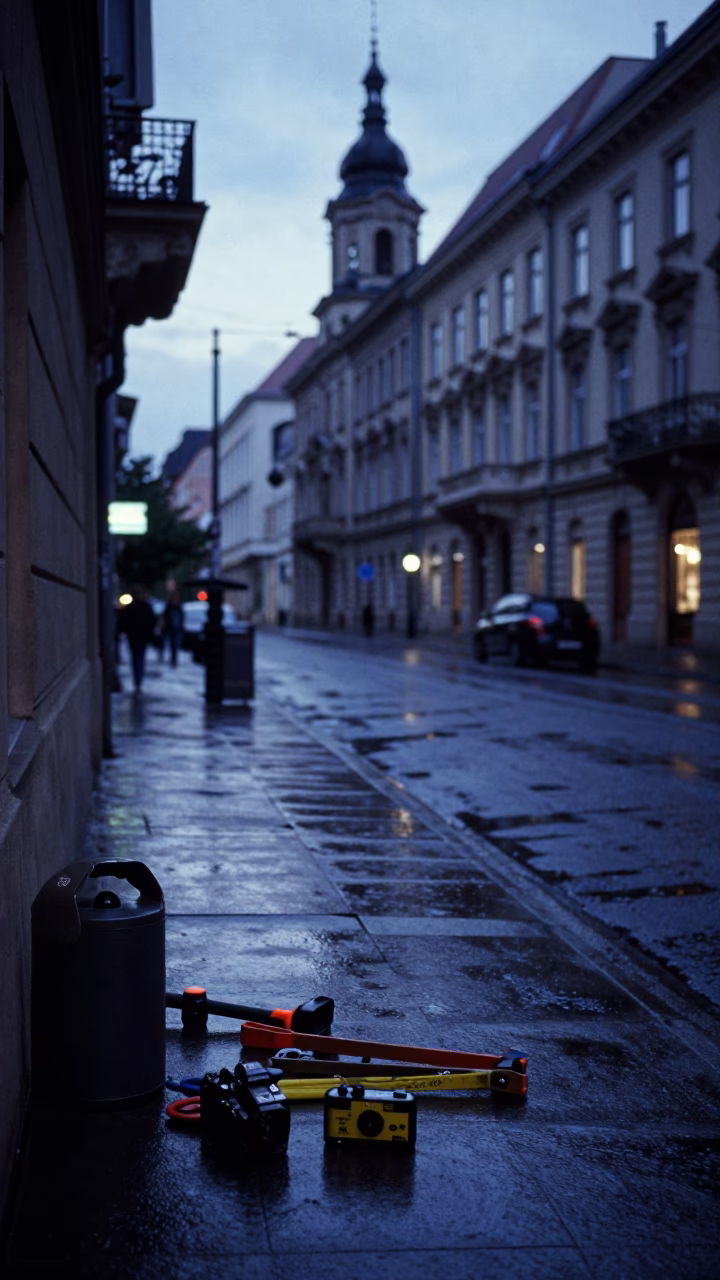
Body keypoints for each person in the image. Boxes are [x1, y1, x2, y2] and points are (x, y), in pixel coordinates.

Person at [118, 587, 157, 692]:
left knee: (135, 657)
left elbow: (123, 621)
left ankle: (137, 679)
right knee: (140, 657)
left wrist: (121, 631)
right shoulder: (146, 606)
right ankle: (138, 679)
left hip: (133, 636)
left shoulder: (130, 607)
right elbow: (152, 621)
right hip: (141, 636)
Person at [162, 591, 184, 667]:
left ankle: (174, 659)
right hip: (171, 628)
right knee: (172, 645)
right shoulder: (170, 606)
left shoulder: (178, 606)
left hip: (176, 628)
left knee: (175, 645)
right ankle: (173, 659)